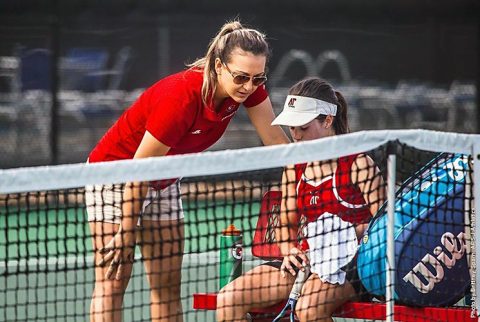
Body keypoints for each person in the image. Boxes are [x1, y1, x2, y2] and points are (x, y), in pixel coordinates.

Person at [84, 20, 289, 322]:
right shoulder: (180, 97)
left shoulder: (250, 89)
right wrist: (126, 231)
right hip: (115, 176)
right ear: (219, 66)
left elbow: (277, 143)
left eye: (258, 78)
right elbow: (140, 168)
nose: (249, 86)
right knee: (112, 282)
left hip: (164, 178)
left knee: (167, 286)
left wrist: (320, 166)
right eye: (242, 77)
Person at [216, 77, 385, 322]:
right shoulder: (294, 167)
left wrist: (344, 235)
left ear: (328, 120)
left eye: (302, 127)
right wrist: (289, 250)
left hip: (356, 266)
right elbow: (285, 226)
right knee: (228, 299)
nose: (294, 135)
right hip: (308, 261)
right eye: (291, 127)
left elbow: (387, 223)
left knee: (308, 310)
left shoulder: (358, 164)